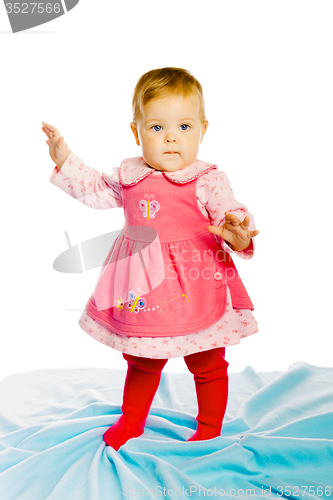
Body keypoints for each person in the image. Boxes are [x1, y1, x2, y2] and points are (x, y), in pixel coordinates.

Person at [42, 67, 259, 451]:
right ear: (136, 131)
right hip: (143, 287)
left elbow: (229, 209)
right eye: (157, 128)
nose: (172, 137)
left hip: (196, 284)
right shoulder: (130, 174)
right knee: (142, 359)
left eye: (185, 127)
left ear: (203, 130)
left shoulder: (207, 178)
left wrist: (236, 227)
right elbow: (94, 189)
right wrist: (65, 158)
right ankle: (133, 420)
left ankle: (209, 426)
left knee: (207, 361)